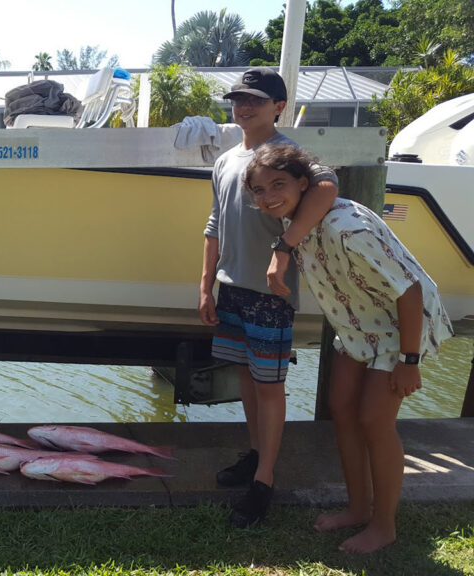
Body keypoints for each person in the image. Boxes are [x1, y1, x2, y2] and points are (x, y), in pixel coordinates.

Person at [244, 144, 453, 553]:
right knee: (341, 408)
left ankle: (384, 524)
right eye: (258, 189)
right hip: (358, 328)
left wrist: (409, 362)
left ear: (304, 184)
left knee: (375, 420)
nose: (267, 196)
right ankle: (358, 508)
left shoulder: (345, 226)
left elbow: (409, 292)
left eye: (278, 184)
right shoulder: (295, 229)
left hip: (398, 328)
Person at [199, 67, 340, 528]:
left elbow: (326, 187)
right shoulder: (225, 160)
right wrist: (206, 284)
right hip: (233, 288)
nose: (244, 106)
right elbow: (215, 224)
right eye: (238, 99)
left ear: (278, 106)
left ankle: (263, 481)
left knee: (269, 385)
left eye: (255, 99)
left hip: (271, 295)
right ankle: (256, 453)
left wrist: (284, 248)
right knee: (245, 377)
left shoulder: (287, 154)